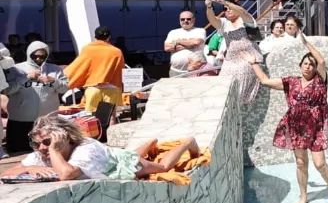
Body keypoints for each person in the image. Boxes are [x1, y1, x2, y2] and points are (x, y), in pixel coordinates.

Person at [251, 35, 328, 203]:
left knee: (320, 163)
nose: (308, 66)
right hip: (296, 126)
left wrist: (306, 44)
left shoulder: (320, 81)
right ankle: (303, 195)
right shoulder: (291, 82)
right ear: (300, 66)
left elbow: (321, 61)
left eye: (311, 64)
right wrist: (253, 64)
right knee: (301, 163)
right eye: (305, 63)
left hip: (317, 126)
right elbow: (265, 81)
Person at [20, 113, 200, 183]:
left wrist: (54, 151)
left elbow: (66, 175)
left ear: (64, 139)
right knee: (126, 152)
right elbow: (5, 173)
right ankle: (149, 143)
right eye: (36, 144)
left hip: (120, 164)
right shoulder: (42, 150)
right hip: (109, 157)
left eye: (47, 142)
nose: (42, 148)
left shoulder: (85, 147)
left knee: (161, 167)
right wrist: (30, 168)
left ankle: (186, 142)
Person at [4, 41, 67, 154]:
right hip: (20, 121)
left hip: (47, 122)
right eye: (35, 56)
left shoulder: (56, 69)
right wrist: (26, 77)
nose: (38, 59)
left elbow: (64, 89)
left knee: (48, 153)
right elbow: (8, 90)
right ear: (29, 54)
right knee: (18, 153)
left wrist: (54, 81)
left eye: (42, 56)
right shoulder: (16, 69)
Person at [63, 26, 126, 138]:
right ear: (109, 37)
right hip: (111, 88)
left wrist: (66, 78)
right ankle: (111, 139)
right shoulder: (116, 51)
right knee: (111, 116)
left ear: (95, 36)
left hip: (93, 88)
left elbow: (80, 66)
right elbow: (120, 69)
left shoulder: (87, 49)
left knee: (90, 116)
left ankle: (92, 140)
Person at [164, 9, 208, 77]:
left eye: (188, 19)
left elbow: (196, 43)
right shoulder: (172, 32)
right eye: (182, 19)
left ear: (194, 20)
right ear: (179, 20)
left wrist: (177, 41)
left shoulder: (200, 30)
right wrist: (189, 45)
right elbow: (166, 47)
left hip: (195, 71)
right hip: (175, 72)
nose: (185, 21)